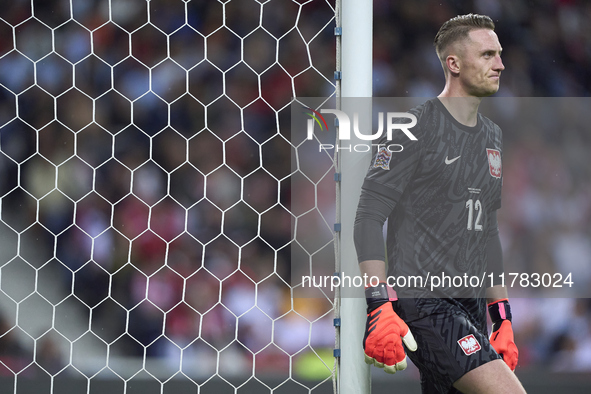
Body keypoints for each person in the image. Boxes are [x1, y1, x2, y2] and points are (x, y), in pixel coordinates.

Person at [353, 14, 526, 393]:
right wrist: (379, 305)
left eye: (499, 54)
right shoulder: (414, 129)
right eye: (487, 55)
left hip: (472, 308)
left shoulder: (492, 136)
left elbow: (488, 230)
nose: (500, 64)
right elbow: (368, 216)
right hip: (426, 303)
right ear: (454, 63)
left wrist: (502, 317)